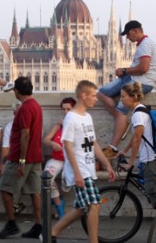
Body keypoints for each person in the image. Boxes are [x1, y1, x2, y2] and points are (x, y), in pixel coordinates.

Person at [50, 80, 116, 243]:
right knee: (94, 204)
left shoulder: (87, 117)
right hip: (79, 169)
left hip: (87, 168)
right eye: (93, 96)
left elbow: (93, 143)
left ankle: (52, 232)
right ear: (83, 95)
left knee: (80, 208)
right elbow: (67, 145)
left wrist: (107, 164)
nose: (96, 99)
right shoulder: (71, 118)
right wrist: (77, 173)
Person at [97, 20, 156, 158]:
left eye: (128, 34)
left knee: (121, 111)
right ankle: (121, 120)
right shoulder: (143, 44)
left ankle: (113, 147)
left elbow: (143, 68)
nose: (127, 38)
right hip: (131, 79)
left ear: (135, 31)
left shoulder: (145, 45)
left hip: (140, 83)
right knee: (102, 93)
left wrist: (125, 70)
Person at [0, 76, 44, 239]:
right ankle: (38, 224)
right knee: (34, 191)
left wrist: (21, 161)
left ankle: (11, 224)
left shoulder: (24, 108)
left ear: (16, 91)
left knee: (5, 189)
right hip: (36, 156)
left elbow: (25, 135)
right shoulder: (36, 105)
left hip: (20, 157)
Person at [117, 82, 156, 209]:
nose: (121, 99)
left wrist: (130, 162)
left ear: (132, 97)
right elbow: (137, 135)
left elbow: (137, 139)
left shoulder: (137, 114)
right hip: (152, 159)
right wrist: (125, 150)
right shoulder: (141, 110)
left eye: (123, 96)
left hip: (151, 161)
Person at [42, 97, 77, 219]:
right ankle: (58, 204)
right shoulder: (59, 124)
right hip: (57, 159)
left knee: (69, 183)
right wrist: (52, 144)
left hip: (70, 160)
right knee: (47, 178)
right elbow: (46, 139)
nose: (66, 112)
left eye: (69, 109)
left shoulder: (76, 124)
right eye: (64, 109)